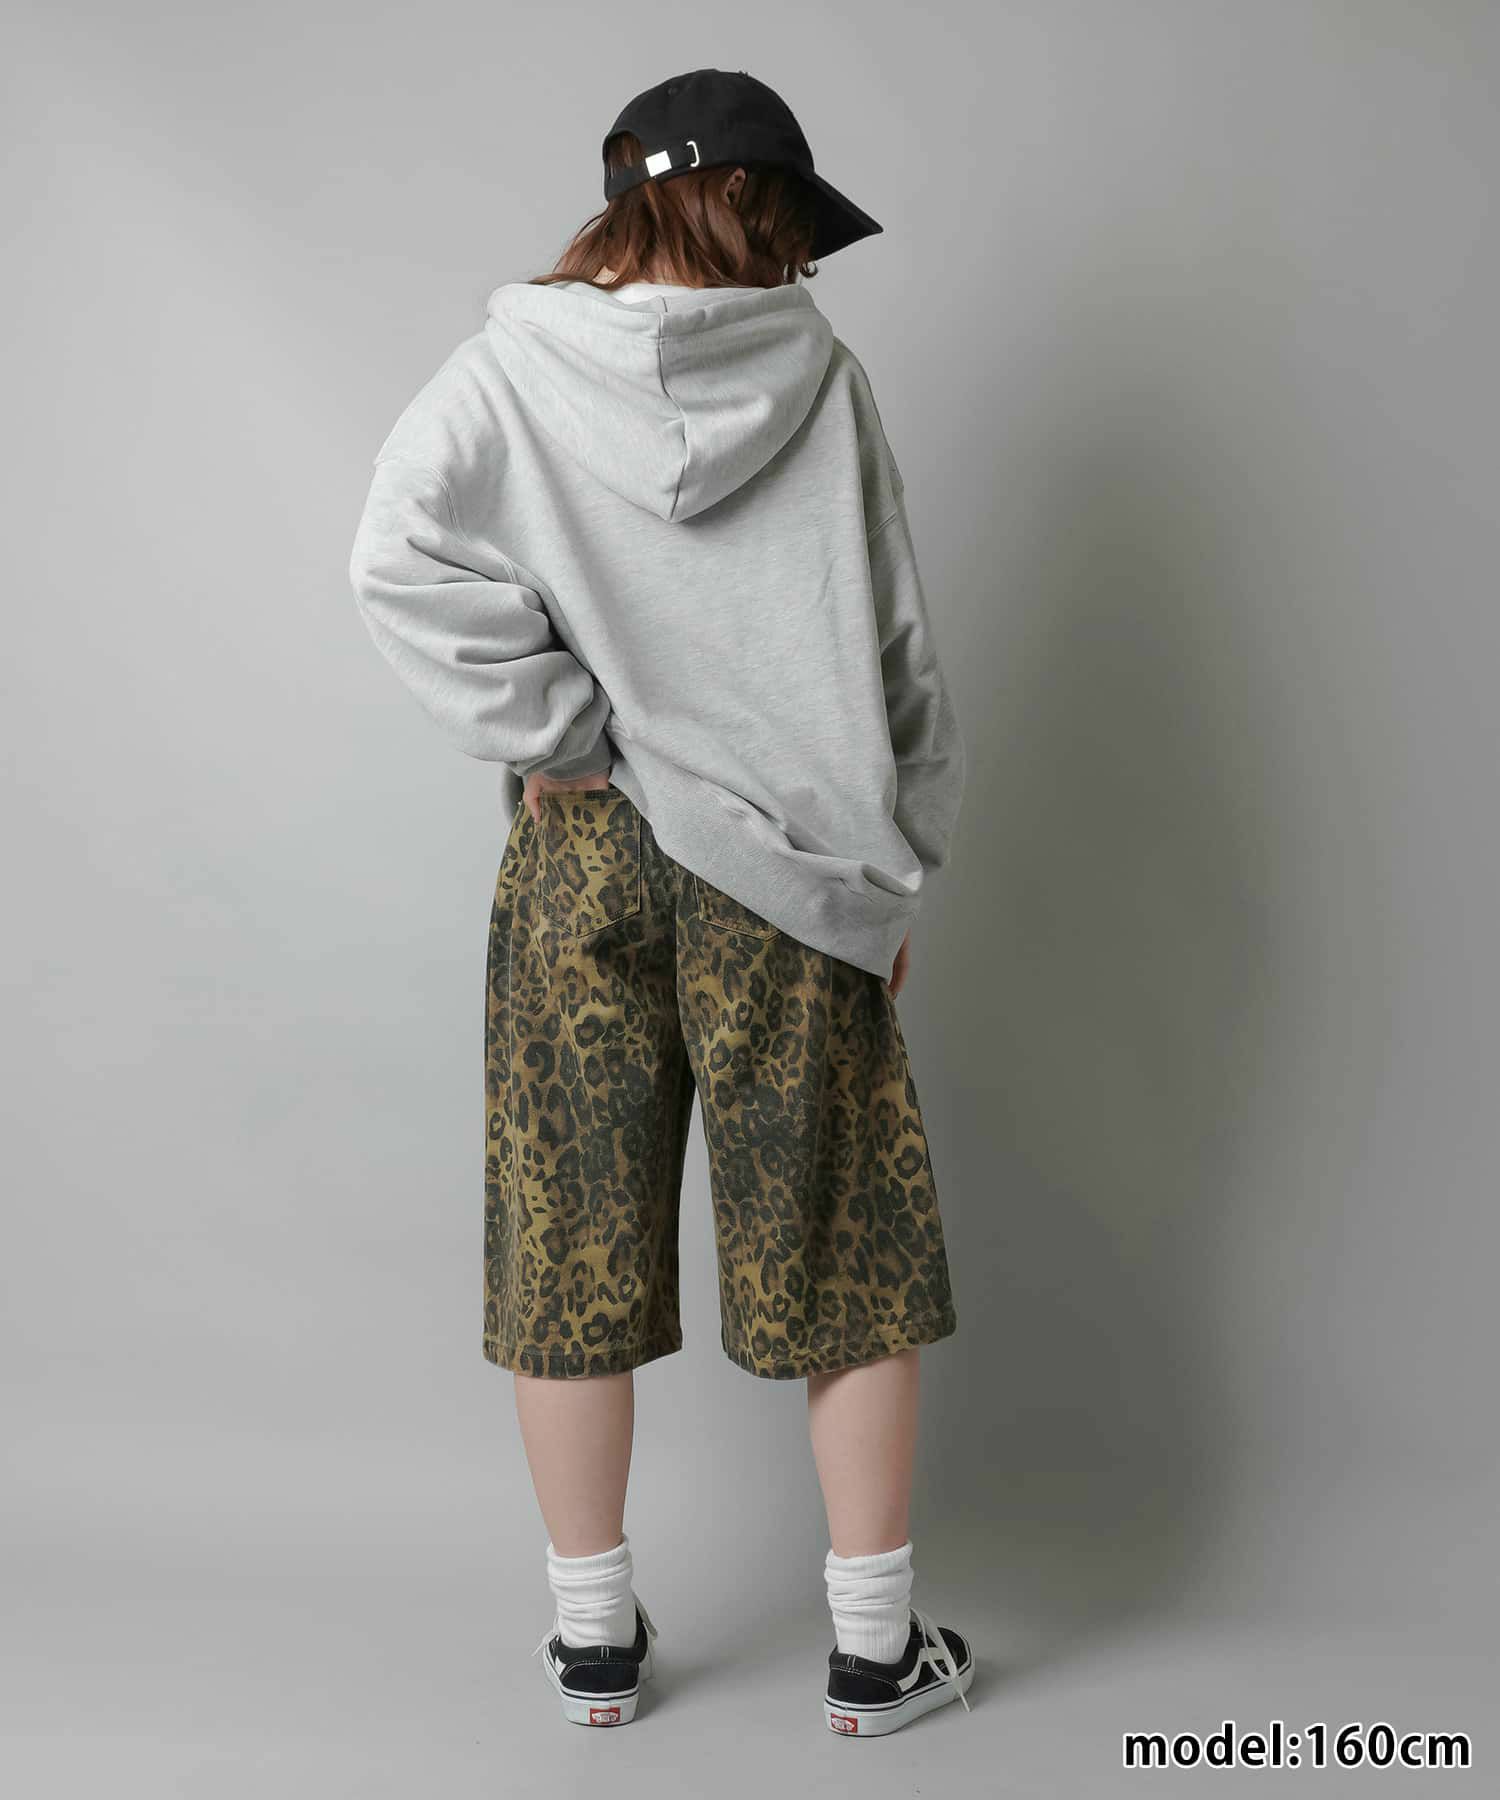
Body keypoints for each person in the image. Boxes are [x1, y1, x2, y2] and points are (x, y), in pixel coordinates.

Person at [347, 66, 971, 1738]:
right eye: (794, 221)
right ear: (750, 204)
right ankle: (872, 1655)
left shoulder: (509, 368)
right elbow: (901, 651)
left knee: (569, 1238)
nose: (803, 259)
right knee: (843, 1245)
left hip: (587, 854)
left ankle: (594, 1646)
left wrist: (562, 729)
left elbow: (392, 556)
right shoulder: (823, 380)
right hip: (789, 870)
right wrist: (893, 867)